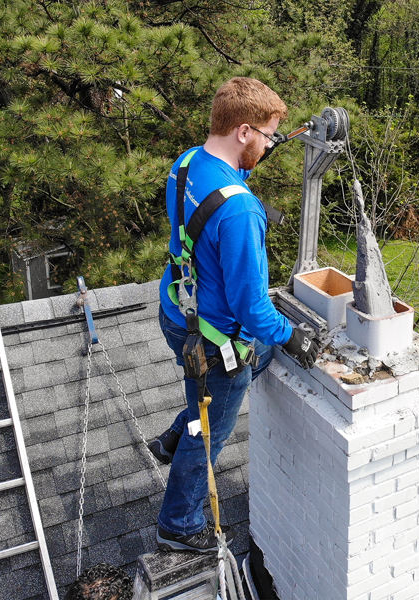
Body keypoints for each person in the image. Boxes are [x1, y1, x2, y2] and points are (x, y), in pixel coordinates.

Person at [150, 77, 319, 553]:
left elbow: (212, 207)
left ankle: (173, 433)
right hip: (213, 341)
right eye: (266, 136)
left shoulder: (187, 163)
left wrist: (262, 152)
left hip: (175, 312)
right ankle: (178, 525)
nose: (269, 146)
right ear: (243, 130)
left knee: (207, 402)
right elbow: (252, 307)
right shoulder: (241, 211)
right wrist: (292, 336)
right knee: (209, 431)